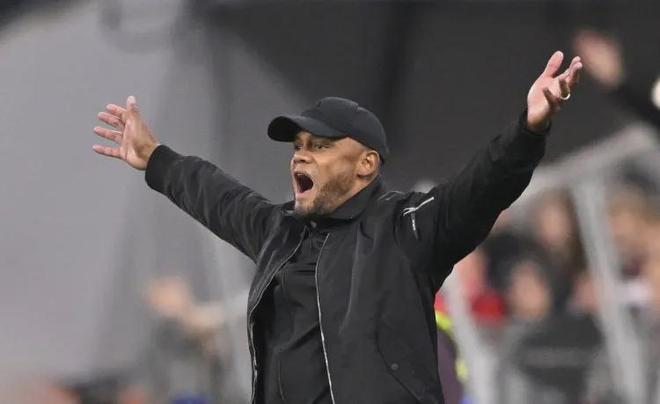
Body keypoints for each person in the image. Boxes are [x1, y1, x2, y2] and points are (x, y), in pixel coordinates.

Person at [92, 51, 582, 404]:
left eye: (321, 146)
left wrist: (528, 129)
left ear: (366, 164)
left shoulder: (405, 228)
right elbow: (216, 195)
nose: (301, 155)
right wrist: (155, 157)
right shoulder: (279, 233)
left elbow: (482, 186)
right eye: (298, 146)